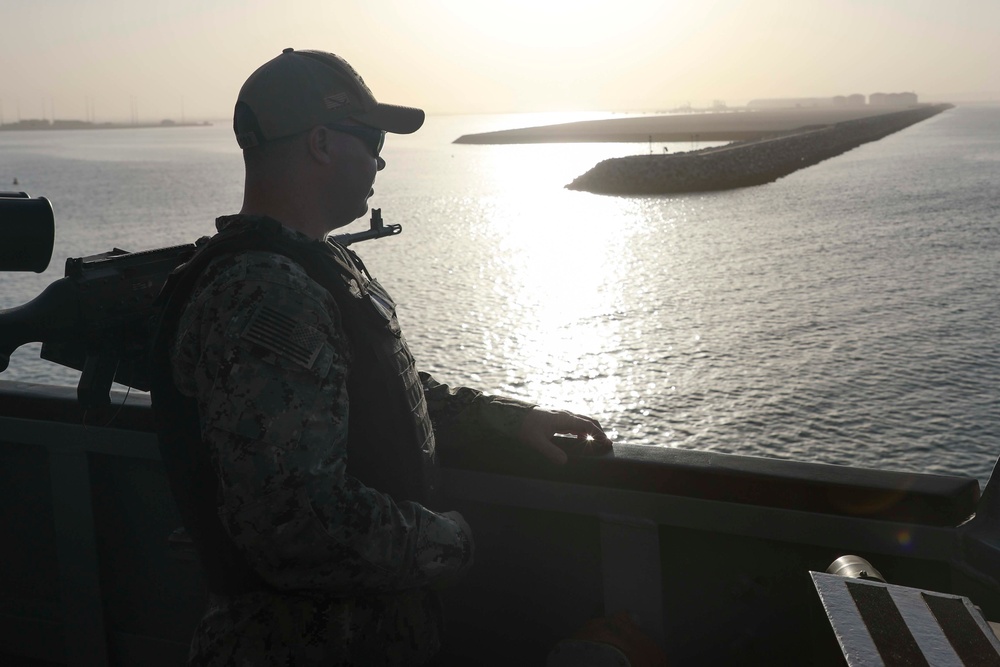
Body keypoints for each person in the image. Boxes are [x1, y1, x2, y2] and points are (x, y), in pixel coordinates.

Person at [149, 47, 611, 666]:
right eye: (368, 139)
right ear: (319, 143)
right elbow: (295, 525)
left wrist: (507, 420)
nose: (380, 158)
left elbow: (374, 394)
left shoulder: (311, 265)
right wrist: (457, 540)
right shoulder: (268, 292)